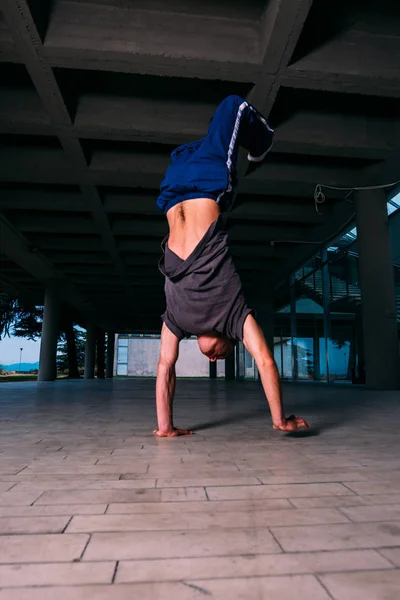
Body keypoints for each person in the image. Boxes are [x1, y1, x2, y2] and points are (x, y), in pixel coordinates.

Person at [154, 95, 309, 437]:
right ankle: (261, 141)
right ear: (230, 341)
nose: (212, 358)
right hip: (208, 184)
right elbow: (266, 362)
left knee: (189, 148)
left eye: (213, 360)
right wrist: (279, 420)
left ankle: (256, 139)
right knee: (231, 107)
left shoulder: (178, 321)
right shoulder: (236, 317)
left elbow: (166, 366)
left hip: (171, 191)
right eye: (219, 359)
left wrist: (165, 427)